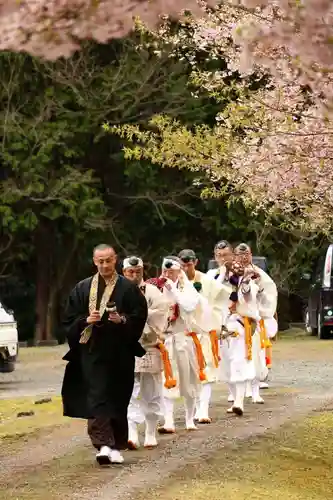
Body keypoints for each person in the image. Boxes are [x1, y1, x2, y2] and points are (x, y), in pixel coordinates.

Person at [61, 244, 148, 466]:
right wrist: (85, 321)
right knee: (96, 396)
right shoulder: (82, 288)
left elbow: (139, 315)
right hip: (92, 352)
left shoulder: (128, 289)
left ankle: (116, 445)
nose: (105, 265)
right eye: (100, 261)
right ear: (94, 261)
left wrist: (123, 320)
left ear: (115, 259)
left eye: (108, 260)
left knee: (118, 396)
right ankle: (103, 445)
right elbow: (69, 319)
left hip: (119, 351)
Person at [151, 256, 202, 433]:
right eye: (164, 271)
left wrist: (173, 287)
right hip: (166, 340)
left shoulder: (187, 288)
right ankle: (169, 421)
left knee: (189, 381)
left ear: (179, 272)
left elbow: (188, 306)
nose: (166, 275)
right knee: (166, 381)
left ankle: (189, 418)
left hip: (184, 339)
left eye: (170, 272)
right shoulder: (157, 289)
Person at [123, 256, 169, 449]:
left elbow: (161, 314)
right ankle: (132, 432)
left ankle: (150, 431)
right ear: (124, 272)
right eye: (130, 272)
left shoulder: (152, 292)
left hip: (148, 346)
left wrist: (139, 316)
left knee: (151, 391)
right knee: (128, 391)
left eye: (138, 272)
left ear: (143, 271)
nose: (134, 275)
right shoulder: (117, 291)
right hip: (125, 348)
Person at [178, 248, 224, 423]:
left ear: (195, 262)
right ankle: (195, 408)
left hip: (204, 333)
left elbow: (221, 302)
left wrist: (216, 325)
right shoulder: (175, 282)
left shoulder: (207, 281)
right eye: (183, 262)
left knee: (207, 370)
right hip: (184, 335)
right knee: (189, 374)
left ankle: (203, 409)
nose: (186, 265)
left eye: (190, 262)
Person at [234, 243, 278, 401]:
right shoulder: (231, 273)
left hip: (254, 320)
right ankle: (237, 391)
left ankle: (255, 390)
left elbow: (270, 296)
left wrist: (258, 286)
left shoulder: (259, 274)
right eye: (240, 255)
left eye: (247, 255)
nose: (244, 258)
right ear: (235, 256)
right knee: (237, 357)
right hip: (236, 321)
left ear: (251, 255)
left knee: (256, 355)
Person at [223, 258, 260, 416]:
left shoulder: (249, 285)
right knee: (227, 365)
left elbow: (246, 292)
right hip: (225, 327)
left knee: (239, 362)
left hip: (241, 326)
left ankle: (239, 401)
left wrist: (245, 278)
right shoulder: (225, 284)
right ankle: (235, 398)